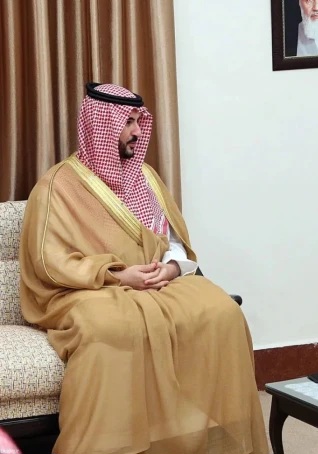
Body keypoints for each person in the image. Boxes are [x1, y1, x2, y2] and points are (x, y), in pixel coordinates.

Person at [19, 83, 268, 454]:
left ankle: (208, 442)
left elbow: (173, 242)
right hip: (87, 290)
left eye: (139, 121)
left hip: (156, 282)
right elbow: (49, 262)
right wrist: (119, 276)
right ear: (101, 125)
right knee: (109, 328)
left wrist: (171, 269)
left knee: (223, 312)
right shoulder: (57, 186)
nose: (137, 131)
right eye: (128, 122)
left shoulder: (146, 178)